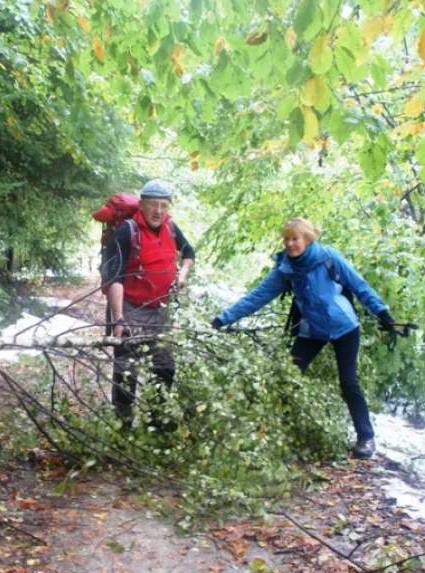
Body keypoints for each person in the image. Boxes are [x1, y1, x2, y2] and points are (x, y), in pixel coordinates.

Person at [210, 218, 395, 459]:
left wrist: (382, 312)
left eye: (294, 238)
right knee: (287, 376)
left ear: (307, 239)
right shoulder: (284, 270)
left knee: (348, 381)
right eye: (286, 239)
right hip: (312, 330)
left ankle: (366, 438)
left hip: (344, 326)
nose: (289, 244)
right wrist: (223, 319)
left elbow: (359, 286)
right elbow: (256, 297)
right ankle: (277, 432)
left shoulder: (329, 258)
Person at [104, 179, 195, 430]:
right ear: (142, 204)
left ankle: (157, 421)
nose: (158, 210)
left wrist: (183, 273)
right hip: (131, 308)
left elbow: (189, 253)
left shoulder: (172, 229)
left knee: (165, 366)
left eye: (163, 205)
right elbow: (115, 276)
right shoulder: (127, 231)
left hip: (161, 310)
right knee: (126, 370)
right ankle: (123, 425)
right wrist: (119, 318)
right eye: (153, 204)